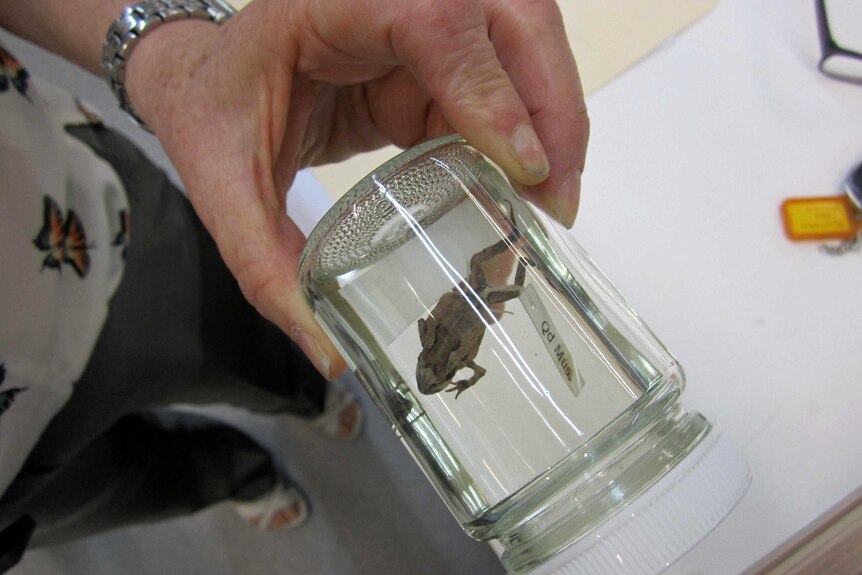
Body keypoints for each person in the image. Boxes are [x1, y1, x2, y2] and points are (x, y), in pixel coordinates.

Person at [0, 0, 589, 569]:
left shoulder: (443, 349)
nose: (432, 374)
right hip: (13, 488)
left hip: (84, 232)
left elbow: (440, 322)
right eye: (434, 374)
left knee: (248, 342)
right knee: (118, 490)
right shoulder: (448, 358)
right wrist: (457, 370)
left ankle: (293, 417)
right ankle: (241, 480)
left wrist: (177, 62)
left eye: (433, 374)